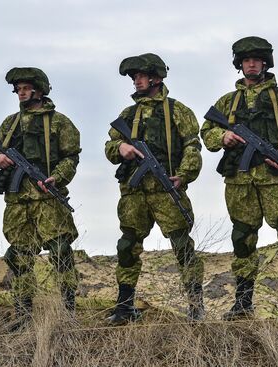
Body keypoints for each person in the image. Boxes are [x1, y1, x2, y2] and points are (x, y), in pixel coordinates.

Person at [200, 37, 278, 319]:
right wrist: (223, 136)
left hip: (276, 180)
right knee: (242, 238)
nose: (251, 64)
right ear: (239, 65)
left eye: (256, 60)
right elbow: (206, 132)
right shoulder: (227, 103)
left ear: (265, 63)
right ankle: (242, 303)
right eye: (246, 60)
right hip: (240, 183)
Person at [105, 53, 205, 324]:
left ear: (156, 78)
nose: (136, 81)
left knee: (183, 246)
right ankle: (124, 306)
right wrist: (120, 148)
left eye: (140, 76)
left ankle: (196, 306)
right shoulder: (128, 115)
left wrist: (183, 176)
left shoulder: (177, 111)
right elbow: (110, 145)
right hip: (134, 194)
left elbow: (192, 146)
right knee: (127, 247)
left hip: (166, 189)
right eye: (134, 77)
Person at [0, 67, 81, 327]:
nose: (20, 93)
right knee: (18, 256)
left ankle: (68, 311)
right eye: (18, 89)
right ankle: (23, 315)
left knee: (61, 252)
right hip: (17, 202)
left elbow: (71, 157)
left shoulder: (59, 122)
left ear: (39, 90)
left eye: (26, 88)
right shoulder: (10, 123)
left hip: (48, 199)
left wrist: (57, 178)